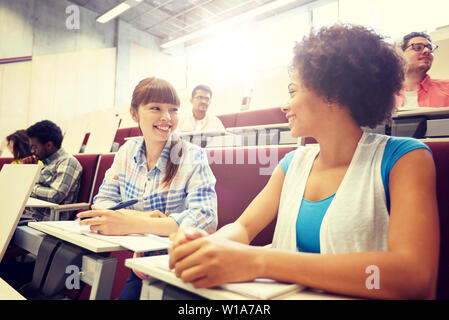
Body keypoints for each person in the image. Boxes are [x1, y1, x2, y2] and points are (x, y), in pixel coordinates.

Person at [168, 25, 440, 300]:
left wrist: (260, 262)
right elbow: (243, 228)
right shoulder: (293, 163)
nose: (285, 105)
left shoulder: (406, 158)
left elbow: (414, 278)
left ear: (332, 94)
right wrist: (201, 249)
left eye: (293, 91)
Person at [77, 77, 218, 299]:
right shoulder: (127, 151)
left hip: (179, 268)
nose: (166, 117)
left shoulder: (192, 155)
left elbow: (206, 218)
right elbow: (102, 202)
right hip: (141, 264)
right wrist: (138, 217)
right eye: (155, 108)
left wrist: (136, 222)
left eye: (173, 110)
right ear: (134, 114)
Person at [21, 120, 83, 221]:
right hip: (28, 216)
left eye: (34, 147)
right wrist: (29, 172)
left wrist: (28, 187)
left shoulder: (67, 162)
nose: (32, 151)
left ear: (49, 145)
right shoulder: (45, 163)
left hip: (44, 220)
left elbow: (55, 196)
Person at [396, 32, 449, 108]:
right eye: (418, 47)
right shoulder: (383, 94)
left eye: (430, 48)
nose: (427, 51)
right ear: (401, 54)